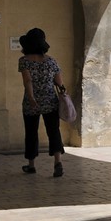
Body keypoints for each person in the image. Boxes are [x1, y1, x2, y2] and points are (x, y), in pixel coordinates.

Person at [18, 27, 65, 177]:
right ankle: (58, 162)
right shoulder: (51, 61)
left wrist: (31, 98)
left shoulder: (24, 61)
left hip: (31, 103)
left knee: (31, 132)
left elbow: (27, 81)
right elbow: (59, 83)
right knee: (54, 131)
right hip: (50, 101)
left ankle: (31, 165)